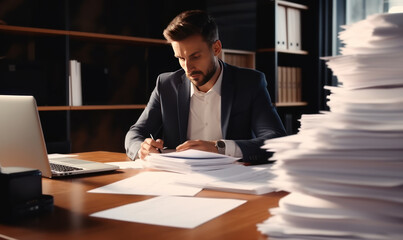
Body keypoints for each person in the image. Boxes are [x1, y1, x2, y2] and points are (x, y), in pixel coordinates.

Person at [125, 10, 286, 164]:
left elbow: (275, 139)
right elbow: (135, 133)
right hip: (177, 182)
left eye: (195, 57)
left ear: (216, 48)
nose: (187, 67)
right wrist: (142, 149)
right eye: (181, 58)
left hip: (234, 181)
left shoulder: (249, 83)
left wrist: (219, 148)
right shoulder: (166, 85)